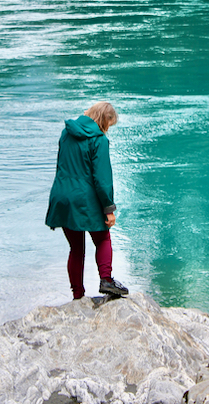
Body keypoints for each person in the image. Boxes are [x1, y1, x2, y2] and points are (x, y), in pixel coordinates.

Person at [46, 101, 129, 299]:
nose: (109, 129)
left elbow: (61, 167)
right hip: (86, 198)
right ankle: (106, 281)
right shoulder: (98, 139)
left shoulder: (66, 133)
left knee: (76, 248)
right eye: (109, 124)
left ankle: (78, 296)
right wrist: (108, 208)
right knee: (102, 238)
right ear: (103, 120)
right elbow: (102, 179)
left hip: (63, 196)